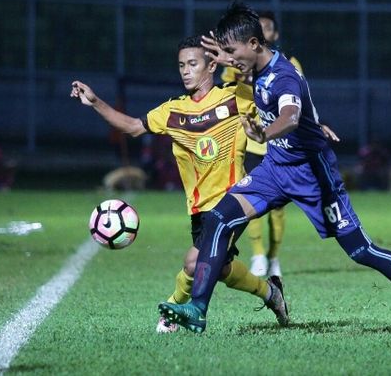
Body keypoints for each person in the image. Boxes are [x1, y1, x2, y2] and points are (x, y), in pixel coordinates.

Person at [159, 1, 391, 337]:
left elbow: (290, 116)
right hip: (275, 170)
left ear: (254, 45)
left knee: (362, 251)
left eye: (232, 52)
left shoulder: (285, 77)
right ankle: (197, 310)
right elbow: (259, 81)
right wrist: (226, 55)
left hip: (313, 178)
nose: (228, 62)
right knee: (219, 217)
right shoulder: (254, 64)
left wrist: (266, 132)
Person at [71, 36, 289, 334]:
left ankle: (173, 310)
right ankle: (270, 293)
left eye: (192, 64)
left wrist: (232, 59)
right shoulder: (173, 111)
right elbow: (134, 126)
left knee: (193, 263)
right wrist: (95, 101)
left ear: (211, 65)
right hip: (199, 209)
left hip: (236, 201)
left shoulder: (236, 97)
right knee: (219, 269)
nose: (185, 71)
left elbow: (272, 77)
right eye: (181, 66)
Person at [220, 10, 305, 277]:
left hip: (280, 143)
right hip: (253, 143)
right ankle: (257, 253)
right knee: (249, 198)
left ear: (273, 35)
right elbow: (228, 91)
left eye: (269, 29)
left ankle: (273, 256)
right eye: (262, 28)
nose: (265, 32)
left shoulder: (289, 65)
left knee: (278, 208)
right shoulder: (237, 61)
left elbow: (296, 103)